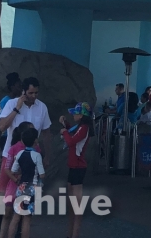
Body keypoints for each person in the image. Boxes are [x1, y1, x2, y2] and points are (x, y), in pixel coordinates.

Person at [0, 121, 35, 238]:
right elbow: (8, 168)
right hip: (18, 185)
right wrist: (17, 179)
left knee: (21, 216)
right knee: (9, 214)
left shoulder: (35, 149)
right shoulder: (14, 148)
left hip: (21, 184)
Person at [59, 102, 92, 238]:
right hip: (73, 166)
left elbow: (71, 141)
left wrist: (64, 131)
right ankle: (70, 233)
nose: (73, 115)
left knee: (76, 206)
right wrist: (65, 125)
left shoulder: (84, 128)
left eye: (76, 113)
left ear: (81, 115)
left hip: (78, 167)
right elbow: (73, 134)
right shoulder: (80, 127)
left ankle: (74, 234)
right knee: (71, 205)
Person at [5, 126, 44, 238]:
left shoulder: (20, 154)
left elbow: (13, 170)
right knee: (27, 219)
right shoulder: (37, 155)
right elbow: (42, 174)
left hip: (21, 187)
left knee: (16, 217)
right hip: (33, 188)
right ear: (35, 140)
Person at [0, 77, 51, 157]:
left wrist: (47, 156)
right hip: (11, 154)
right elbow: (2, 127)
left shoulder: (42, 107)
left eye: (36, 93)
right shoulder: (11, 103)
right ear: (23, 91)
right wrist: (17, 108)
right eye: (30, 93)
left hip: (32, 156)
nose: (34, 96)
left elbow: (46, 133)